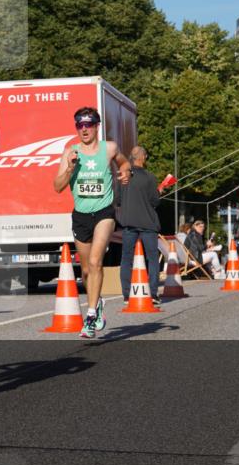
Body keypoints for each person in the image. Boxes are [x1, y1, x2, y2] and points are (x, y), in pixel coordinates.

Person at [53, 106, 130, 339]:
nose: (84, 129)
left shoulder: (110, 148)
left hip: (104, 212)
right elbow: (57, 187)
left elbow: (125, 163)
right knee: (86, 270)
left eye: (88, 125)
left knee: (96, 262)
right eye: (80, 125)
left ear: (97, 126)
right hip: (81, 215)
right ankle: (97, 304)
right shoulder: (70, 152)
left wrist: (126, 172)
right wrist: (70, 168)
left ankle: (89, 316)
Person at [118, 146, 161, 304]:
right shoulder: (150, 177)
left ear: (131, 157)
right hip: (148, 223)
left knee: (126, 258)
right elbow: (155, 201)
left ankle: (127, 294)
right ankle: (153, 293)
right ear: (143, 157)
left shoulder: (124, 177)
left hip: (129, 223)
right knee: (152, 258)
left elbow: (117, 200)